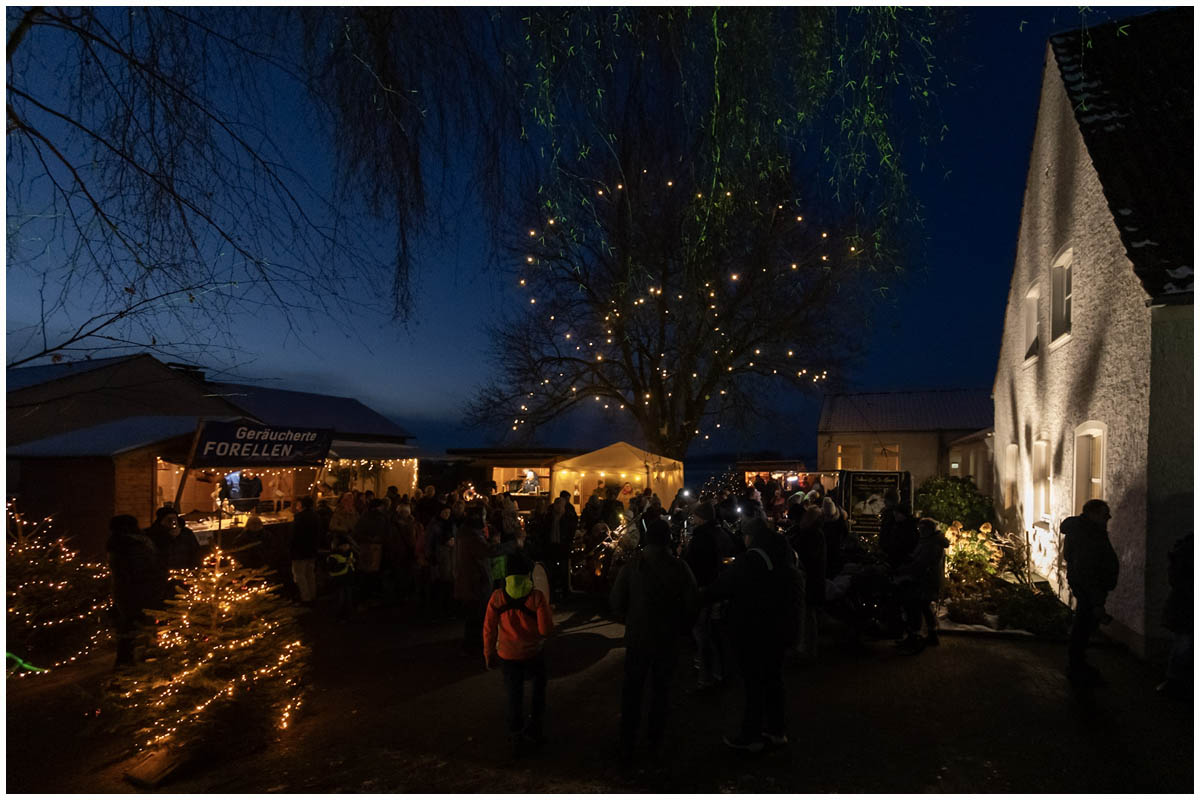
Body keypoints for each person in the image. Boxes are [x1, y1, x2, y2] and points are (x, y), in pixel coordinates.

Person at [702, 516, 799, 753]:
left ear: (750, 536)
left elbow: (724, 586)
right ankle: (776, 730)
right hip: (780, 628)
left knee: (754, 684)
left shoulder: (752, 559)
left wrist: (701, 595)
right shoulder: (783, 553)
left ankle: (751, 735)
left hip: (754, 630)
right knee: (773, 681)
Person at [610, 517, 699, 766]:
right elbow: (692, 604)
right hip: (667, 639)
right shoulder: (679, 568)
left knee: (632, 692)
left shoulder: (632, 566)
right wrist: (683, 628)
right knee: (661, 692)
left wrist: (631, 617)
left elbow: (616, 601)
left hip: (638, 638)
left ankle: (627, 744)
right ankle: (655, 743)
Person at [483, 553, 555, 759]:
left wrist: (489, 653)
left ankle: (516, 735)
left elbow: (489, 629)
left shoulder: (497, 597)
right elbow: (545, 630)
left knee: (514, 695)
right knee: (538, 691)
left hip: (507, 655)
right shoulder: (536, 597)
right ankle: (535, 729)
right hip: (533, 653)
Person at [1062, 499, 1119, 685]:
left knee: (1083, 625)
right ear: (1092, 514)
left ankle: (1077, 664)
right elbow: (1087, 569)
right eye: (1105, 513)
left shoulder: (1085, 530)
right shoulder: (1087, 534)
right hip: (1089, 589)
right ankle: (1076, 666)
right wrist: (1097, 602)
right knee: (1083, 627)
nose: (1108, 517)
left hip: (1087, 587)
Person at [684, 501, 735, 692]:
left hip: (705, 590)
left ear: (701, 517)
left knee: (703, 634)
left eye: (696, 515)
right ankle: (717, 671)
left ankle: (706, 676)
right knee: (714, 633)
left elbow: (695, 564)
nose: (693, 518)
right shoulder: (721, 533)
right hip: (719, 589)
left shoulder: (701, 537)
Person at [107, 514, 165, 666]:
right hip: (143, 590)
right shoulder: (137, 544)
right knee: (144, 625)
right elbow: (145, 568)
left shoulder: (115, 545)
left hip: (124, 592)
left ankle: (126, 660)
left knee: (128, 627)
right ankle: (142, 660)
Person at [893, 518, 951, 653]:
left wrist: (904, 571)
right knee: (924, 606)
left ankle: (915, 636)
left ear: (929, 530)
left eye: (922, 529)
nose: (920, 531)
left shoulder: (932, 544)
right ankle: (931, 634)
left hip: (925, 580)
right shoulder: (929, 541)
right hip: (926, 579)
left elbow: (921, 563)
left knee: (915, 605)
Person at [786, 498, 826, 663]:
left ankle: (807, 650)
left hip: (809, 579)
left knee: (807, 615)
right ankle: (806, 649)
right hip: (812, 578)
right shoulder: (813, 533)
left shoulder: (812, 534)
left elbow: (808, 557)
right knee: (807, 614)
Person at [1159, 533, 1192, 697]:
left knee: (1183, 642)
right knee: (1184, 643)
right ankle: (1175, 680)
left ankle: (1175, 680)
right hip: (1186, 605)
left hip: (1183, 605)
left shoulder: (1183, 550)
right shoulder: (1187, 551)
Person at [147, 505, 201, 571]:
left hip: (185, 570)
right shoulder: (154, 534)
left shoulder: (186, 533)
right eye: (168, 519)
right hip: (164, 572)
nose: (172, 522)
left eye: (174, 518)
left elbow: (195, 551)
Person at [290, 496, 322, 604]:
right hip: (312, 549)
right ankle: (313, 595)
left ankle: (305, 597)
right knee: (310, 574)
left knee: (300, 575)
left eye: (298, 504)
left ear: (302, 505)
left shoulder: (299, 517)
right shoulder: (315, 516)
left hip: (300, 550)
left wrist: (291, 548)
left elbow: (294, 535)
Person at [878, 489, 918, 569]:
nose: (884, 503)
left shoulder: (893, 515)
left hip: (894, 552)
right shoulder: (893, 514)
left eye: (886, 500)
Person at [326, 531, 357, 619]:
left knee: (348, 598)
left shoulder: (350, 553)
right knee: (340, 599)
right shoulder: (333, 557)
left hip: (348, 580)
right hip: (338, 582)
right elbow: (331, 568)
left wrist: (353, 562)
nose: (346, 547)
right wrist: (344, 564)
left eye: (347, 545)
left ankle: (348, 614)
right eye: (344, 545)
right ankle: (339, 615)